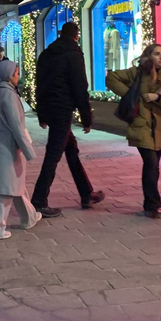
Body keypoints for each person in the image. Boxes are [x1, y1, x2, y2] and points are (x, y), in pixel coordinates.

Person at [32, 22, 102, 218]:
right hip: (63, 110)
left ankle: (86, 193)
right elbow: (80, 86)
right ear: (76, 36)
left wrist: (42, 113)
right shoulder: (73, 54)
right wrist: (87, 117)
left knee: (71, 150)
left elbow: (40, 85)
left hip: (51, 108)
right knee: (53, 155)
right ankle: (38, 201)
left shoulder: (47, 54)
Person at [107, 44, 161, 219]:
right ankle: (153, 205)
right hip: (142, 126)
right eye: (157, 54)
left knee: (153, 167)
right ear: (149, 56)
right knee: (151, 164)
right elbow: (111, 78)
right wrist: (131, 95)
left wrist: (159, 97)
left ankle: (152, 203)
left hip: (160, 129)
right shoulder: (137, 73)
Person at [0, 60, 43, 240]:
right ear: (10, 76)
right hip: (8, 146)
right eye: (17, 73)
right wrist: (28, 149)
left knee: (15, 184)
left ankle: (29, 217)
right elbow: (16, 125)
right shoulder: (9, 95)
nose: (18, 76)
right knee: (5, 188)